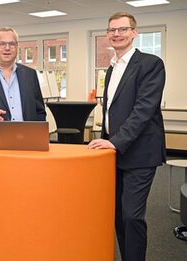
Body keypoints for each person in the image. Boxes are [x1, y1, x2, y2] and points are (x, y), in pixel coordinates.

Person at [87, 12, 166, 261]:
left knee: (132, 215)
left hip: (140, 153)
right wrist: (107, 141)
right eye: (112, 30)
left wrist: (115, 141)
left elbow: (143, 110)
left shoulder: (151, 64)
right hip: (112, 152)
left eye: (122, 29)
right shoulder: (112, 68)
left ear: (134, 32)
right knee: (119, 215)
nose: (116, 34)